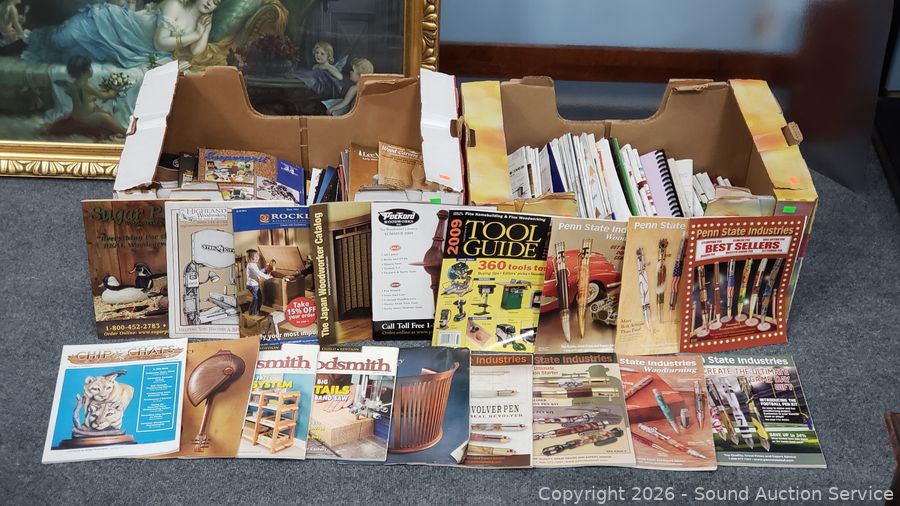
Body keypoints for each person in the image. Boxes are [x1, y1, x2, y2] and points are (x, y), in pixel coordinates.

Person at [22, 0, 220, 68]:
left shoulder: (199, 22)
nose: (210, 2)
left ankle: (23, 38)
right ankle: (26, 37)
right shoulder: (175, 4)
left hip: (128, 46)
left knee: (71, 50)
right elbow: (160, 43)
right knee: (61, 38)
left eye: (216, 2)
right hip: (114, 23)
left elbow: (196, 52)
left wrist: (205, 30)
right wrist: (195, 35)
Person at [45, 55, 126, 139]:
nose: (91, 69)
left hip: (76, 115)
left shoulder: (73, 85)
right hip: (86, 118)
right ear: (85, 72)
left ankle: (115, 131)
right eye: (90, 67)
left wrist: (98, 93)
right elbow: (103, 96)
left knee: (106, 111)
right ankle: (124, 131)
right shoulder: (87, 86)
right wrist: (111, 93)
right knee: (105, 117)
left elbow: (86, 97)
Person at [245, 249, 271, 315]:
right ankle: (254, 311)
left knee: (258, 298)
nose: (258, 257)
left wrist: (265, 269)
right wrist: (268, 277)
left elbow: (258, 271)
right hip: (252, 285)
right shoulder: (251, 265)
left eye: (258, 256)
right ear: (250, 257)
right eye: (255, 256)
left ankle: (252, 311)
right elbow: (258, 273)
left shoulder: (253, 264)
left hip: (254, 284)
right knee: (256, 298)